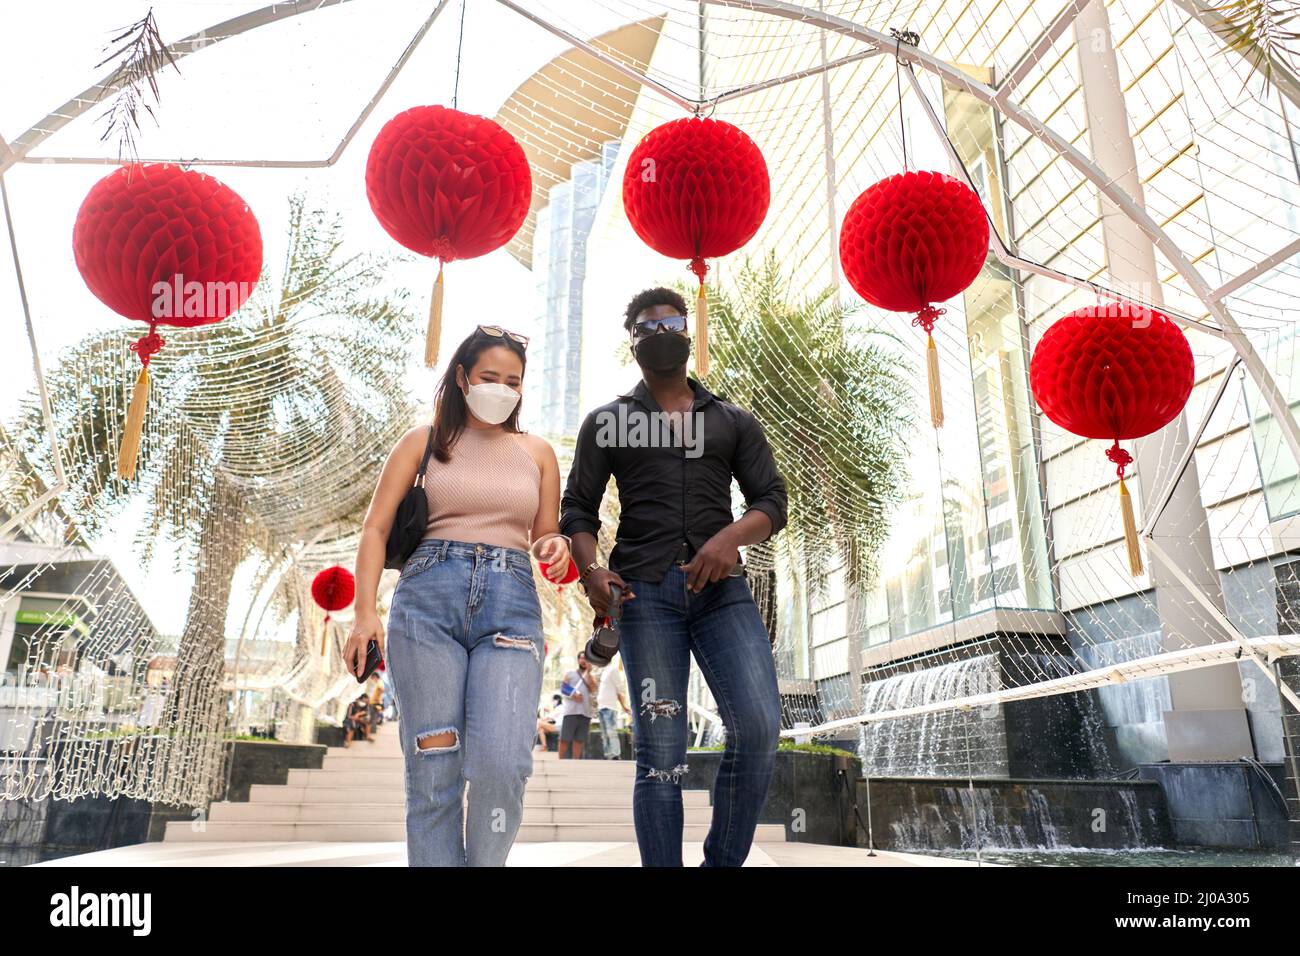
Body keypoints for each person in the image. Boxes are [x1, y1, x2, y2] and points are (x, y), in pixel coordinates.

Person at [560, 286, 788, 867]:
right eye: (647, 327)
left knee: (760, 727)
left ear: (689, 333)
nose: (662, 334)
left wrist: (727, 540)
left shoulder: (732, 421)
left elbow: (771, 502)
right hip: (644, 598)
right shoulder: (606, 422)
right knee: (661, 753)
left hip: (723, 595)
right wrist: (591, 571)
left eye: (672, 324)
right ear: (632, 342)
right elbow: (577, 510)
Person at [344, 324, 571, 867]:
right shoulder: (421, 443)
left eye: (512, 380)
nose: (501, 388)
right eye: (489, 376)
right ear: (464, 377)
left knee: (502, 763)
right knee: (433, 767)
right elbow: (375, 529)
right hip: (427, 602)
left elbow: (543, 531)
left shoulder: (537, 453)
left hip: (511, 603)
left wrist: (555, 545)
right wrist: (363, 614)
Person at [557, 651, 597, 759]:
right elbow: (563, 688)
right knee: (565, 738)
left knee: (579, 740)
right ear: (578, 660)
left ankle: (575, 762)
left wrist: (588, 672)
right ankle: (559, 760)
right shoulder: (570, 673)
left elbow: (593, 689)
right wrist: (573, 694)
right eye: (582, 658)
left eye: (586, 659)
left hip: (585, 712)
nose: (584, 661)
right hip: (571, 711)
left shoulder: (591, 676)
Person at [596, 659, 631, 759]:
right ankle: (608, 754)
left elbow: (619, 689)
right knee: (604, 734)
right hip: (601, 707)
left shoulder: (613, 670)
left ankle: (615, 754)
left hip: (609, 707)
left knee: (611, 732)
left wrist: (624, 706)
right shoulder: (604, 670)